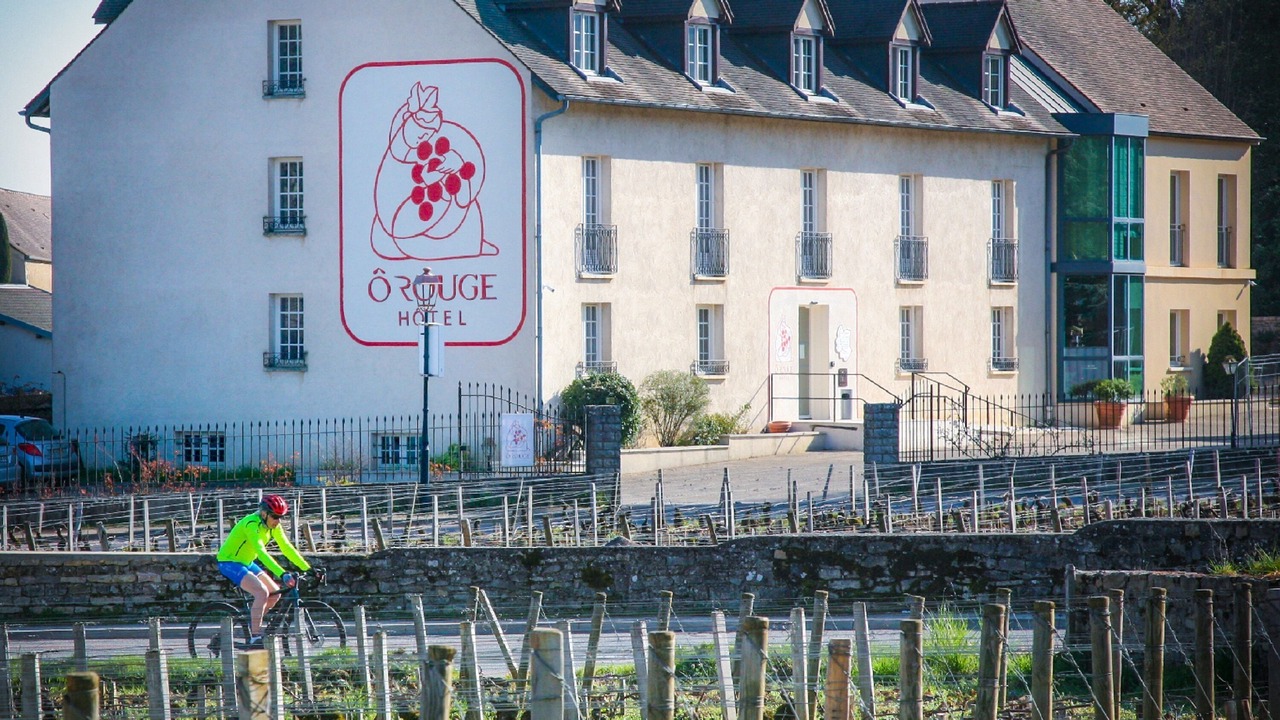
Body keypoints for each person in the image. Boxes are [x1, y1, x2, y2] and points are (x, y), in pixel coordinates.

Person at [216, 494, 311, 648]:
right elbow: (262, 552)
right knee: (261, 592)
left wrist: (308, 568)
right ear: (264, 513)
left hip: (247, 562)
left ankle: (254, 621)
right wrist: (282, 573)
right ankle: (255, 637)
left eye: (281, 517)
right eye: (275, 516)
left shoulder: (273, 525)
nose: (278, 521)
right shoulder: (251, 524)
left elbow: (287, 548)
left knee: (275, 593)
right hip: (229, 562)